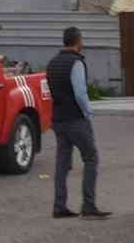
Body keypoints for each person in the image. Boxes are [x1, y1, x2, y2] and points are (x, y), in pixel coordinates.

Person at [46, 26, 110, 219]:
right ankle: (88, 205)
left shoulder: (52, 63)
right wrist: (87, 113)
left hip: (58, 119)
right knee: (90, 158)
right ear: (77, 41)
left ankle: (59, 206)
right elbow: (80, 93)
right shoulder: (77, 63)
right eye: (81, 39)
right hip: (75, 119)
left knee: (62, 164)